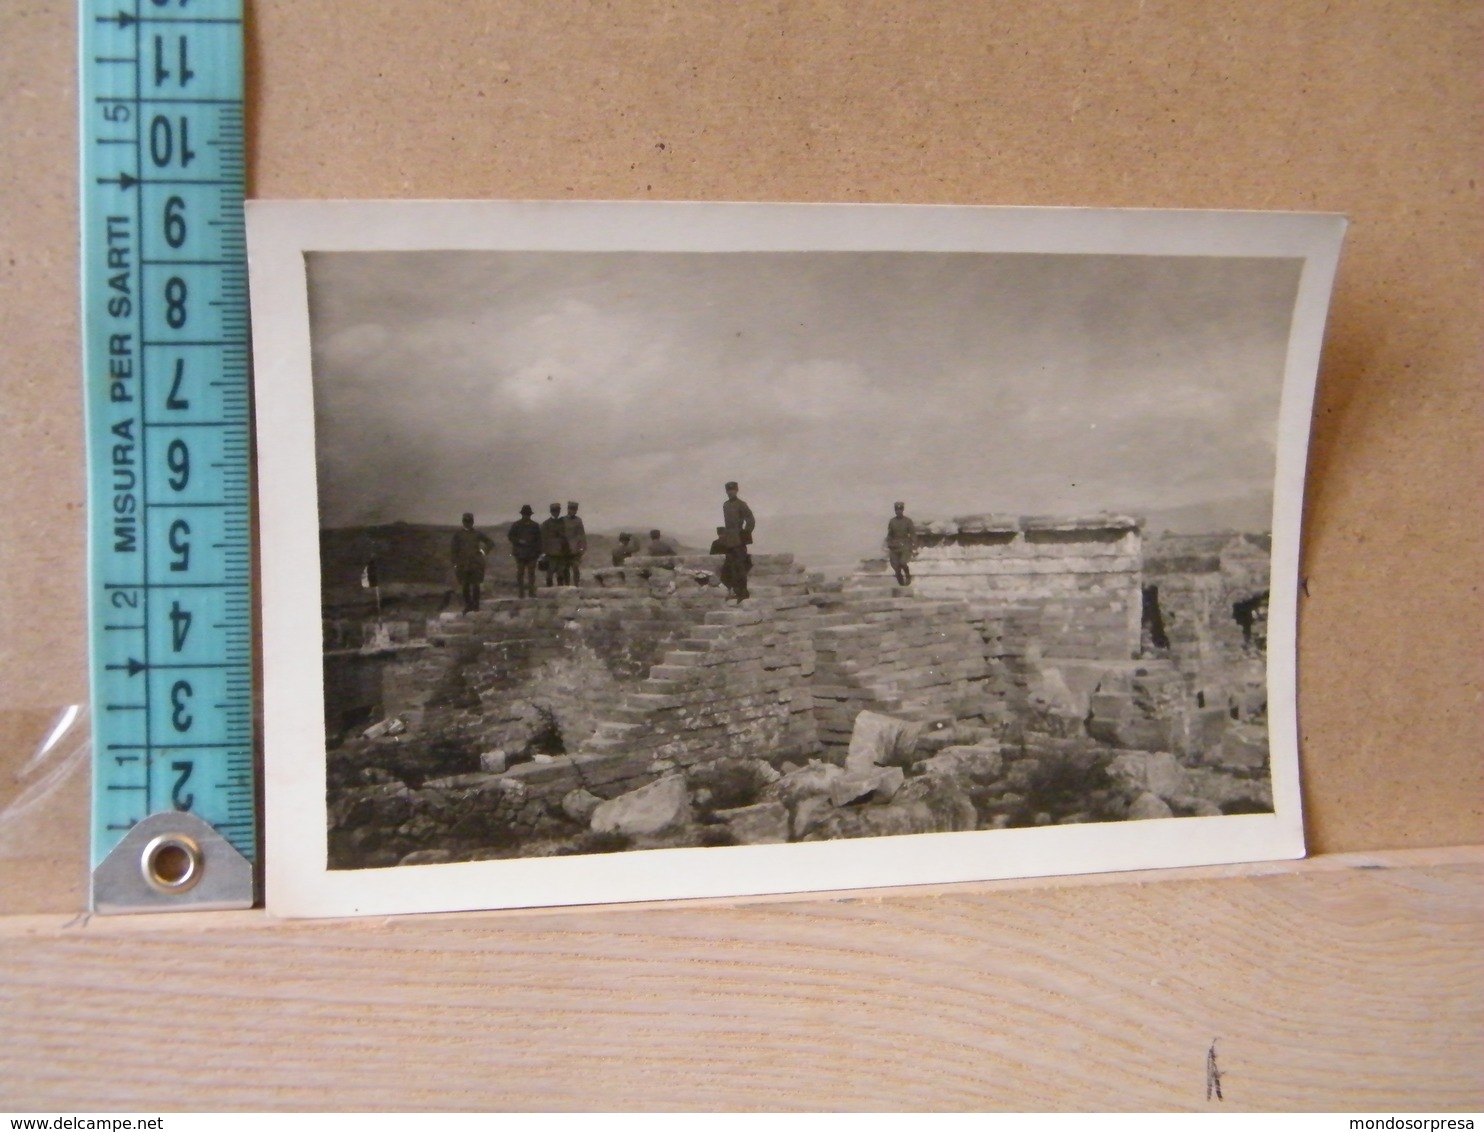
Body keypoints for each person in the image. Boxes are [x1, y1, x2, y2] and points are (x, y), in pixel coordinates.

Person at [450, 512, 494, 613]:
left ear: (472, 522)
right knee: (465, 586)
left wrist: (483, 551)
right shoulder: (458, 535)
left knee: (476, 585)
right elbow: (453, 550)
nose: (467, 523)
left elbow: (490, 542)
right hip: (463, 564)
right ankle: (468, 605)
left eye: (469, 521)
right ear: (463, 522)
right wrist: (455, 563)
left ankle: (476, 606)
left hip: (476, 564)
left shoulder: (477, 534)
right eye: (466, 521)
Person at [721, 481, 755, 600]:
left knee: (740, 568)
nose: (730, 492)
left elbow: (750, 519)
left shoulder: (741, 504)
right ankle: (734, 592)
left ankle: (743, 593)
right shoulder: (725, 505)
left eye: (733, 490)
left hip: (739, 540)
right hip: (728, 541)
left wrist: (745, 534)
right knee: (730, 568)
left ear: (737, 490)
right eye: (728, 491)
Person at [507, 504, 543, 598]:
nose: (526, 516)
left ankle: (531, 592)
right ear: (522, 514)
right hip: (520, 554)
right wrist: (518, 541)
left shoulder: (535, 526)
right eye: (525, 514)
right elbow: (510, 536)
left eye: (527, 514)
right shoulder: (516, 525)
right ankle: (521, 592)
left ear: (530, 515)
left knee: (531, 573)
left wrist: (538, 552)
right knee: (520, 573)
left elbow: (539, 539)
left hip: (532, 554)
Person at [710, 526, 747, 601]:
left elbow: (712, 554)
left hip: (722, 566)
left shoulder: (715, 543)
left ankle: (727, 594)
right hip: (731, 566)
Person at [886, 500, 917, 587]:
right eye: (896, 510)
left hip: (905, 545)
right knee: (896, 566)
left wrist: (914, 545)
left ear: (902, 510)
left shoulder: (908, 521)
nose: (898, 512)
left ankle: (907, 575)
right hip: (894, 546)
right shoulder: (892, 521)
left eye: (900, 510)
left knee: (903, 562)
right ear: (895, 511)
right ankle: (900, 580)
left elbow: (913, 534)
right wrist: (888, 543)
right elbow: (889, 534)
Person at [540, 503, 569, 586]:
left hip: (561, 551)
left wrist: (566, 549)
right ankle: (549, 592)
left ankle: (559, 591)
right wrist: (543, 552)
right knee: (550, 571)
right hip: (550, 552)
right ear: (551, 512)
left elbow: (565, 537)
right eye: (554, 511)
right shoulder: (546, 524)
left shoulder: (562, 523)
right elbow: (543, 538)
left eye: (557, 511)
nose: (556, 513)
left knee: (560, 572)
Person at [562, 501, 588, 587]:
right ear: (568, 509)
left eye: (574, 509)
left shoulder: (578, 521)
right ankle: (567, 586)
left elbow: (582, 535)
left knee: (575, 569)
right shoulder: (562, 520)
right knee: (565, 569)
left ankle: (576, 587)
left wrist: (582, 548)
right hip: (565, 549)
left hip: (575, 550)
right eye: (571, 509)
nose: (572, 511)